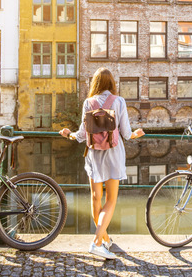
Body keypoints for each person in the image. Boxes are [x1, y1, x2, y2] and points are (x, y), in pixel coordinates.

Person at [59, 67, 144, 260]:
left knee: (96, 199)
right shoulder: (119, 101)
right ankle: (97, 242)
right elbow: (125, 133)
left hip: (94, 155)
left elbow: (81, 135)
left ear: (95, 84)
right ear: (112, 83)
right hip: (114, 154)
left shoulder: (88, 102)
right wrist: (135, 134)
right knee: (111, 200)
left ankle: (104, 239)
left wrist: (68, 134)